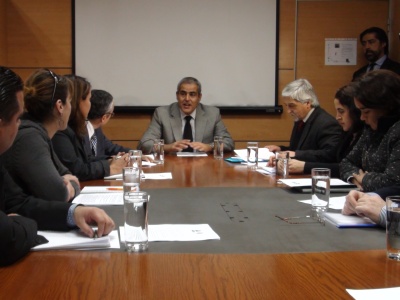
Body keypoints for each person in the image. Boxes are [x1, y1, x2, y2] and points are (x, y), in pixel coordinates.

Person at [0, 66, 115, 266]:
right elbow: (7, 236)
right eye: (18, 118)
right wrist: (21, 222)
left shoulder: (40, 134)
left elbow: (18, 203)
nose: (20, 125)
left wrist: (75, 212)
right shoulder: (30, 136)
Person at [3, 69, 80, 202]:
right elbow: (58, 194)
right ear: (60, 106)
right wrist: (66, 183)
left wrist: (65, 181)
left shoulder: (39, 133)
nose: (71, 108)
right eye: (70, 101)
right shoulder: (30, 138)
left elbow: (68, 175)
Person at [52, 76, 129, 181]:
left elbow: (87, 160)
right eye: (89, 99)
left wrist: (111, 160)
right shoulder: (60, 131)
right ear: (77, 103)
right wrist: (110, 167)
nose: (90, 104)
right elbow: (77, 169)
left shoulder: (78, 127)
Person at [137, 77, 234, 154]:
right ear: (177, 95)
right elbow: (144, 144)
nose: (187, 99)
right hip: (172, 167)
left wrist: (209, 147)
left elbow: (228, 142)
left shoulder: (212, 114)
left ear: (199, 97)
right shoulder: (162, 113)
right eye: (183, 94)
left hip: (203, 167)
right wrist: (168, 147)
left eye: (192, 94)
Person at [340, 70, 400, 192]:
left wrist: (365, 178)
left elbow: (393, 182)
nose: (362, 118)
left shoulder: (397, 131)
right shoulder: (371, 129)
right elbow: (346, 162)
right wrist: (354, 178)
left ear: (386, 106)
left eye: (366, 111)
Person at [286, 85, 363, 176]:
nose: (337, 117)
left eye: (341, 111)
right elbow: (335, 159)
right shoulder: (347, 133)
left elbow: (340, 164)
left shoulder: (327, 123)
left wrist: (305, 166)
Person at [265, 78, 342, 163]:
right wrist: (280, 149)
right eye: (286, 105)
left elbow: (329, 155)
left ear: (308, 103)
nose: (288, 111)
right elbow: (298, 149)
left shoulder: (327, 123)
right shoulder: (300, 120)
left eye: (292, 106)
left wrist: (296, 155)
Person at [85, 89, 130, 159]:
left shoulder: (96, 129)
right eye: (111, 114)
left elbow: (110, 148)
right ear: (104, 118)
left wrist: (134, 154)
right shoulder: (80, 132)